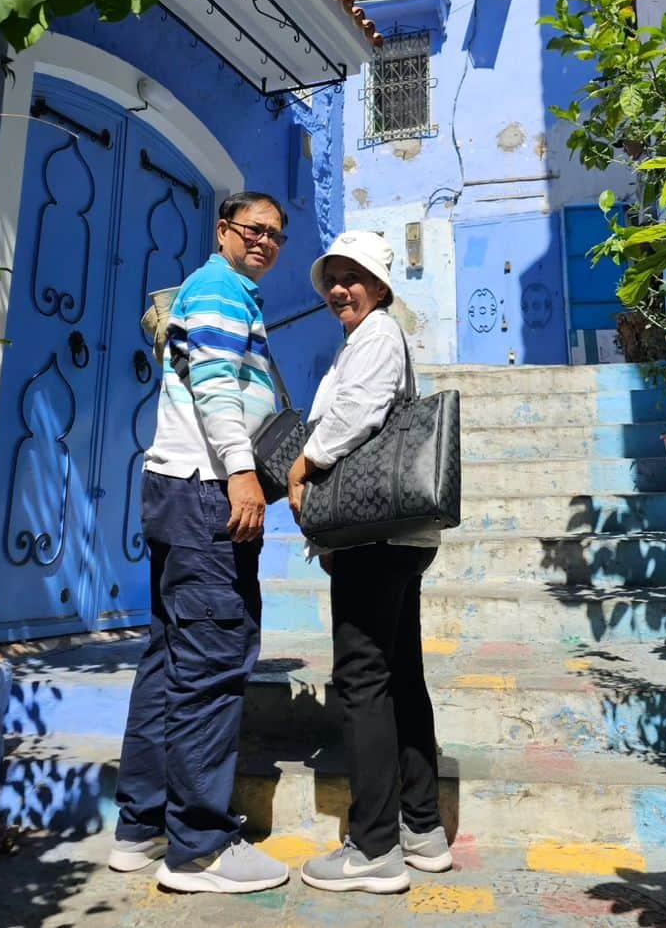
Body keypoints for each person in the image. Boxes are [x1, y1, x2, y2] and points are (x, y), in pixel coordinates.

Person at [107, 191, 290, 895]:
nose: (266, 241)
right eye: (254, 229)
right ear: (224, 231)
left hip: (176, 489)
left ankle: (142, 826)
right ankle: (200, 848)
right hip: (206, 492)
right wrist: (242, 474)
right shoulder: (218, 288)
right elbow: (216, 383)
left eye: (276, 234)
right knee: (212, 662)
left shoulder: (219, 290)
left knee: (170, 656)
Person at [286, 230, 451, 895]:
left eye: (353, 276)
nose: (339, 288)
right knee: (399, 675)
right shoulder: (370, 336)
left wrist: (306, 459)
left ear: (381, 286)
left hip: (371, 538)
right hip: (393, 538)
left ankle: (374, 846)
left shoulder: (378, 334)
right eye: (333, 276)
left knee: (362, 680)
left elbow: (357, 410)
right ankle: (421, 827)